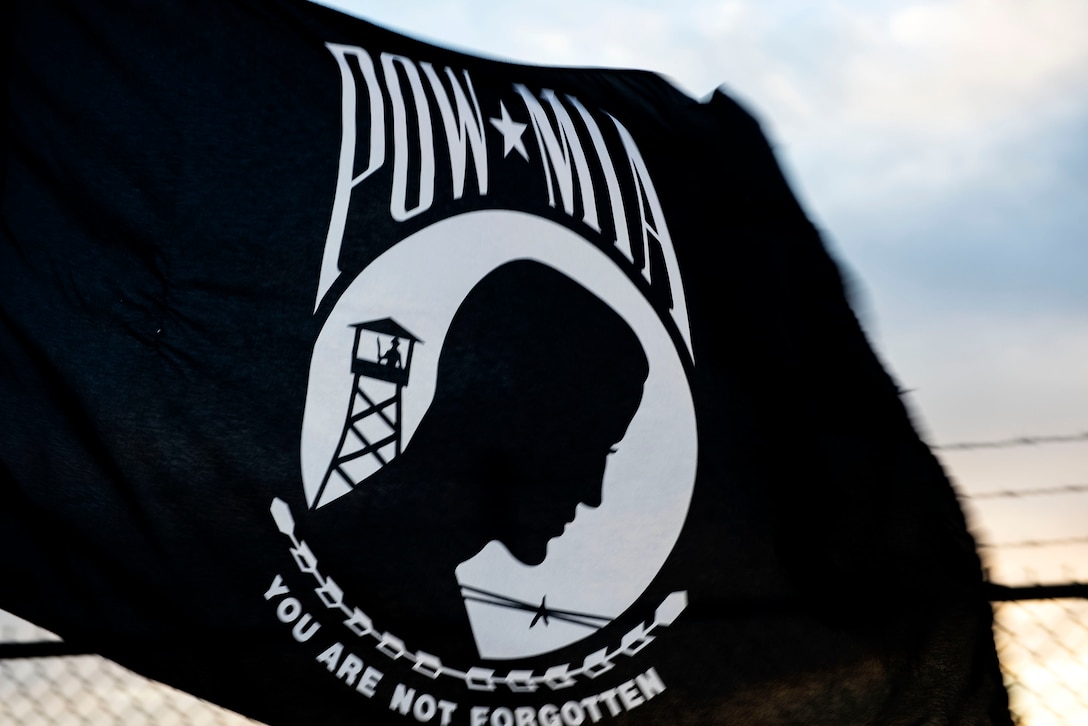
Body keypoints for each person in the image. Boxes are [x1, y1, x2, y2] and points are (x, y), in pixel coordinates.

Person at [308, 260, 649, 661]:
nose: (594, 494)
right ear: (510, 417)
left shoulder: (345, 573)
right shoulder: (375, 591)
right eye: (589, 448)